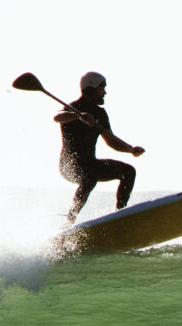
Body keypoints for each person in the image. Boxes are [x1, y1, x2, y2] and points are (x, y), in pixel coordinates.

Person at [54, 72, 145, 222]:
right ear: (91, 88)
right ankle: (70, 219)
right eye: (102, 88)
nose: (105, 92)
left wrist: (130, 149)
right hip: (69, 166)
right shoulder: (73, 108)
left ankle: (120, 216)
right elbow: (57, 117)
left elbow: (111, 140)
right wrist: (78, 116)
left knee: (128, 171)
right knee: (90, 178)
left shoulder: (100, 114)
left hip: (90, 164)